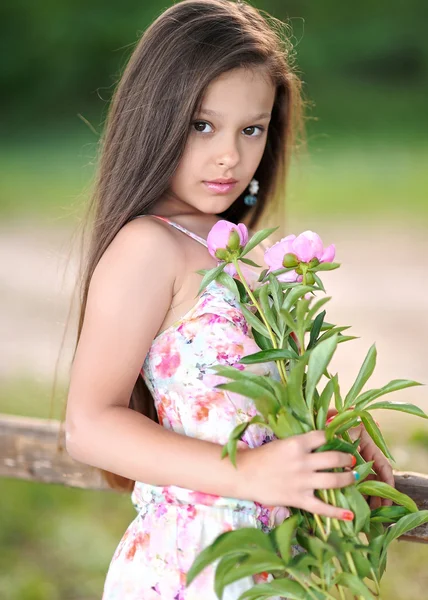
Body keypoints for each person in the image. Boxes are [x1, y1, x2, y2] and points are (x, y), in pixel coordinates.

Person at [64, 1, 394, 598]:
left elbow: (251, 404)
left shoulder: (241, 253)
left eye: (252, 128)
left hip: (279, 563)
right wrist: (253, 471)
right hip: (195, 566)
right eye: (202, 125)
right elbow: (88, 426)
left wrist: (337, 435)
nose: (230, 157)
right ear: (155, 120)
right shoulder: (149, 247)